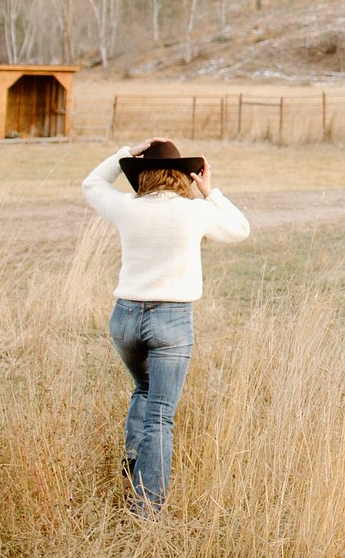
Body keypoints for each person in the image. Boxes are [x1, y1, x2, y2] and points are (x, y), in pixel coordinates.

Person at [81, 139, 250, 513]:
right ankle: (147, 508)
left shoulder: (127, 208)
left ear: (142, 174)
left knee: (142, 389)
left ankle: (134, 462)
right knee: (160, 413)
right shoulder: (194, 212)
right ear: (183, 176)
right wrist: (210, 192)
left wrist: (125, 151)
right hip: (171, 321)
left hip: (125, 318)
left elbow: (92, 184)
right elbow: (240, 229)